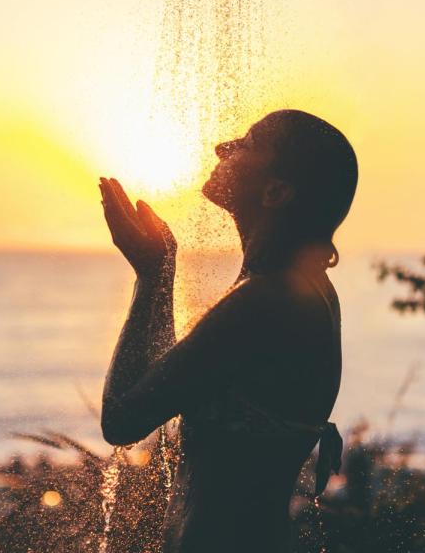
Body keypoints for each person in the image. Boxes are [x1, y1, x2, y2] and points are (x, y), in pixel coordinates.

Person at [99, 109, 358, 552]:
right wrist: (159, 269)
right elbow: (173, 380)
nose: (224, 147)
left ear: (275, 192)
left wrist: (153, 278)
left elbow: (122, 417)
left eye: (248, 143)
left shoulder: (265, 300)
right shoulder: (307, 291)